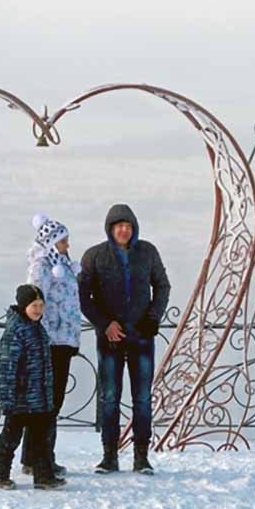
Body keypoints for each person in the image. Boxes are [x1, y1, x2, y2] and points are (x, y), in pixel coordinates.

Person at [79, 203, 171, 475]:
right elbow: (83, 295)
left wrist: (153, 317)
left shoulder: (148, 252)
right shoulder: (94, 256)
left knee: (142, 397)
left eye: (128, 226)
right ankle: (110, 455)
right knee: (110, 397)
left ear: (134, 228)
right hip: (110, 338)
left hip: (141, 335)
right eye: (119, 225)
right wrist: (104, 324)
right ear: (110, 228)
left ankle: (141, 456)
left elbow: (162, 285)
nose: (124, 230)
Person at [22, 213, 82, 478]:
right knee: (48, 401)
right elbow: (35, 302)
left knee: (51, 400)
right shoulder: (43, 266)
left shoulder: (62, 264)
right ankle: (40, 458)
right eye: (63, 241)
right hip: (51, 340)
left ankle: (37, 457)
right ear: (52, 242)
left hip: (63, 339)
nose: (67, 245)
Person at [0, 284, 64, 490]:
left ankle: (44, 476)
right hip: (20, 398)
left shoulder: (37, 327)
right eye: (34, 305)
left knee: (41, 438)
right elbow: (7, 367)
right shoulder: (16, 330)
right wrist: (8, 398)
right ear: (23, 306)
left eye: (41, 305)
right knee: (10, 437)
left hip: (39, 397)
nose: (38, 310)